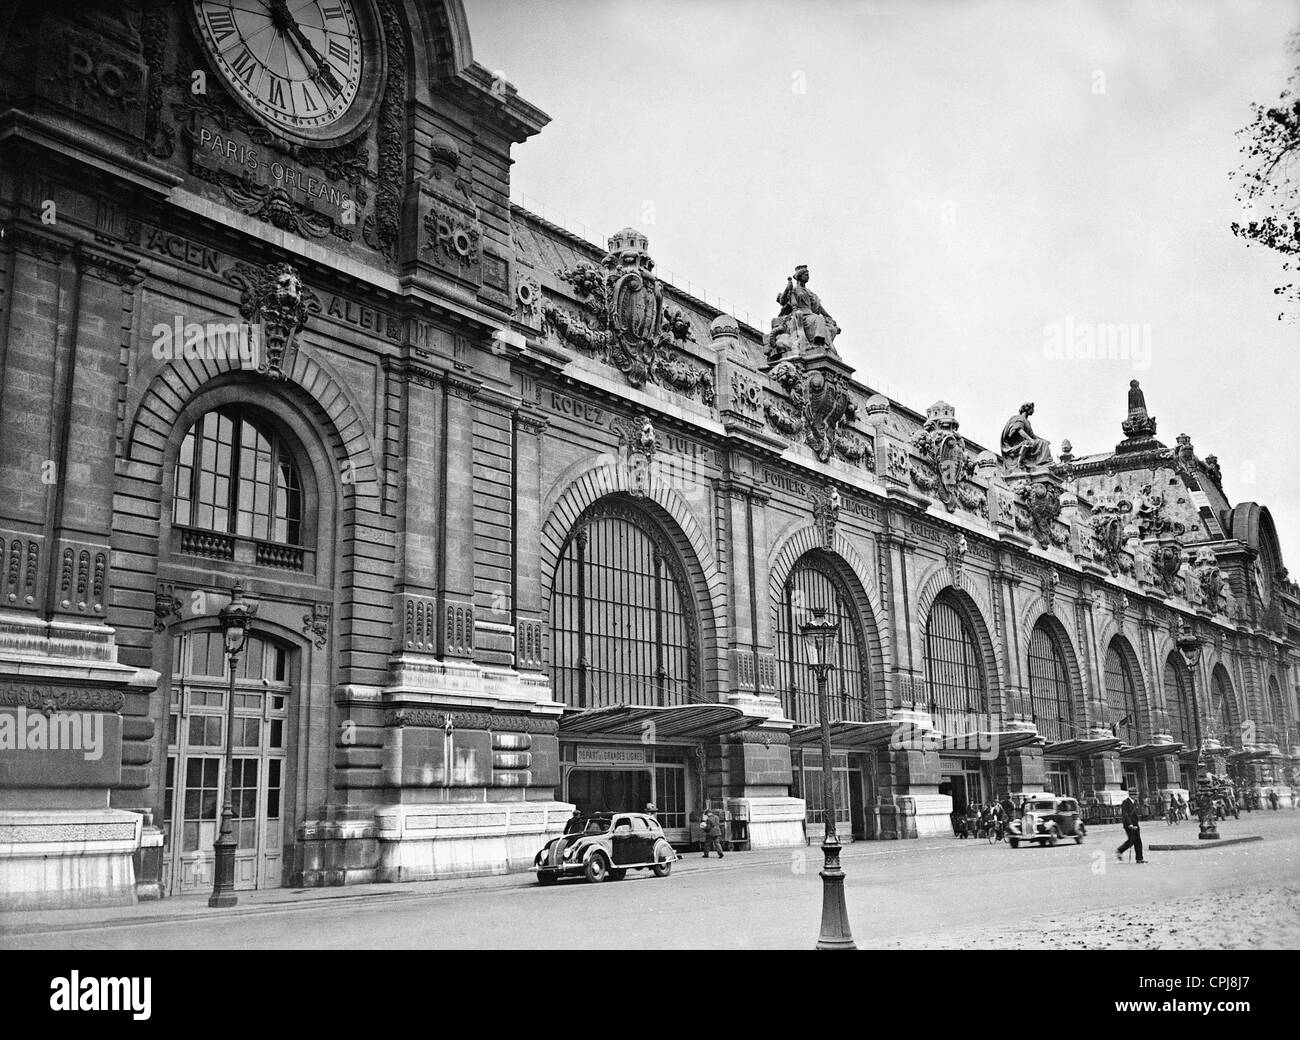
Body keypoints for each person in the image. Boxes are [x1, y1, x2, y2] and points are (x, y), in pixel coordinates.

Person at [1116, 791, 1146, 864]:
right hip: (1129, 825)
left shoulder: (1135, 802)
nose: (1136, 796)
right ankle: (1120, 850)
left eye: (1137, 794)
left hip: (1135, 825)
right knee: (1132, 840)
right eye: (1135, 795)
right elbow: (1125, 814)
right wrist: (1130, 824)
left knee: (1138, 841)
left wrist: (1136, 824)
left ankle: (1139, 858)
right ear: (1131, 795)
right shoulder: (1126, 802)